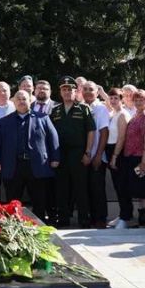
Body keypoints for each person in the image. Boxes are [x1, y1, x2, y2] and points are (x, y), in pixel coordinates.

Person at [0, 90, 60, 221]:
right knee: (13, 200)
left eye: (24, 99)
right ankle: (13, 225)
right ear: (14, 102)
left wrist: (55, 158)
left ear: (30, 101)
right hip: (13, 166)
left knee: (39, 199)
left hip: (37, 166)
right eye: (19, 99)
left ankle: (39, 225)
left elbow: (53, 138)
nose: (22, 101)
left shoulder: (43, 117)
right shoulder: (5, 121)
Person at [50, 77, 95, 227]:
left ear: (76, 91)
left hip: (78, 154)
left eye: (70, 89)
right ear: (60, 92)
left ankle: (84, 219)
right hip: (60, 155)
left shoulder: (83, 109)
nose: (67, 92)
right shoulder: (55, 110)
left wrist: (88, 153)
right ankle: (63, 219)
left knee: (80, 187)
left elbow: (91, 131)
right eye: (64, 89)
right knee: (61, 188)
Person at [112, 89, 145, 229]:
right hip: (130, 157)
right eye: (136, 100)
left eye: (141, 100)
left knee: (143, 190)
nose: (138, 102)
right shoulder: (135, 115)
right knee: (134, 189)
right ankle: (136, 219)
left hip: (140, 157)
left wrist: (144, 161)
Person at [81, 81, 110, 228]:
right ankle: (91, 218)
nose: (87, 92)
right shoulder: (80, 107)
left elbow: (104, 132)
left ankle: (100, 219)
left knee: (97, 189)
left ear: (97, 92)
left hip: (97, 156)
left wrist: (98, 155)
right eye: (84, 89)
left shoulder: (101, 108)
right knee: (86, 190)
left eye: (90, 89)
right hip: (84, 157)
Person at [104, 88, 129, 227]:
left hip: (118, 152)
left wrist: (115, 156)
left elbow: (122, 137)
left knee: (122, 186)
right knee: (117, 186)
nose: (113, 101)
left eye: (116, 98)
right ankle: (121, 215)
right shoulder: (112, 113)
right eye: (111, 98)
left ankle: (125, 218)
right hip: (109, 149)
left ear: (122, 99)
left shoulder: (122, 115)